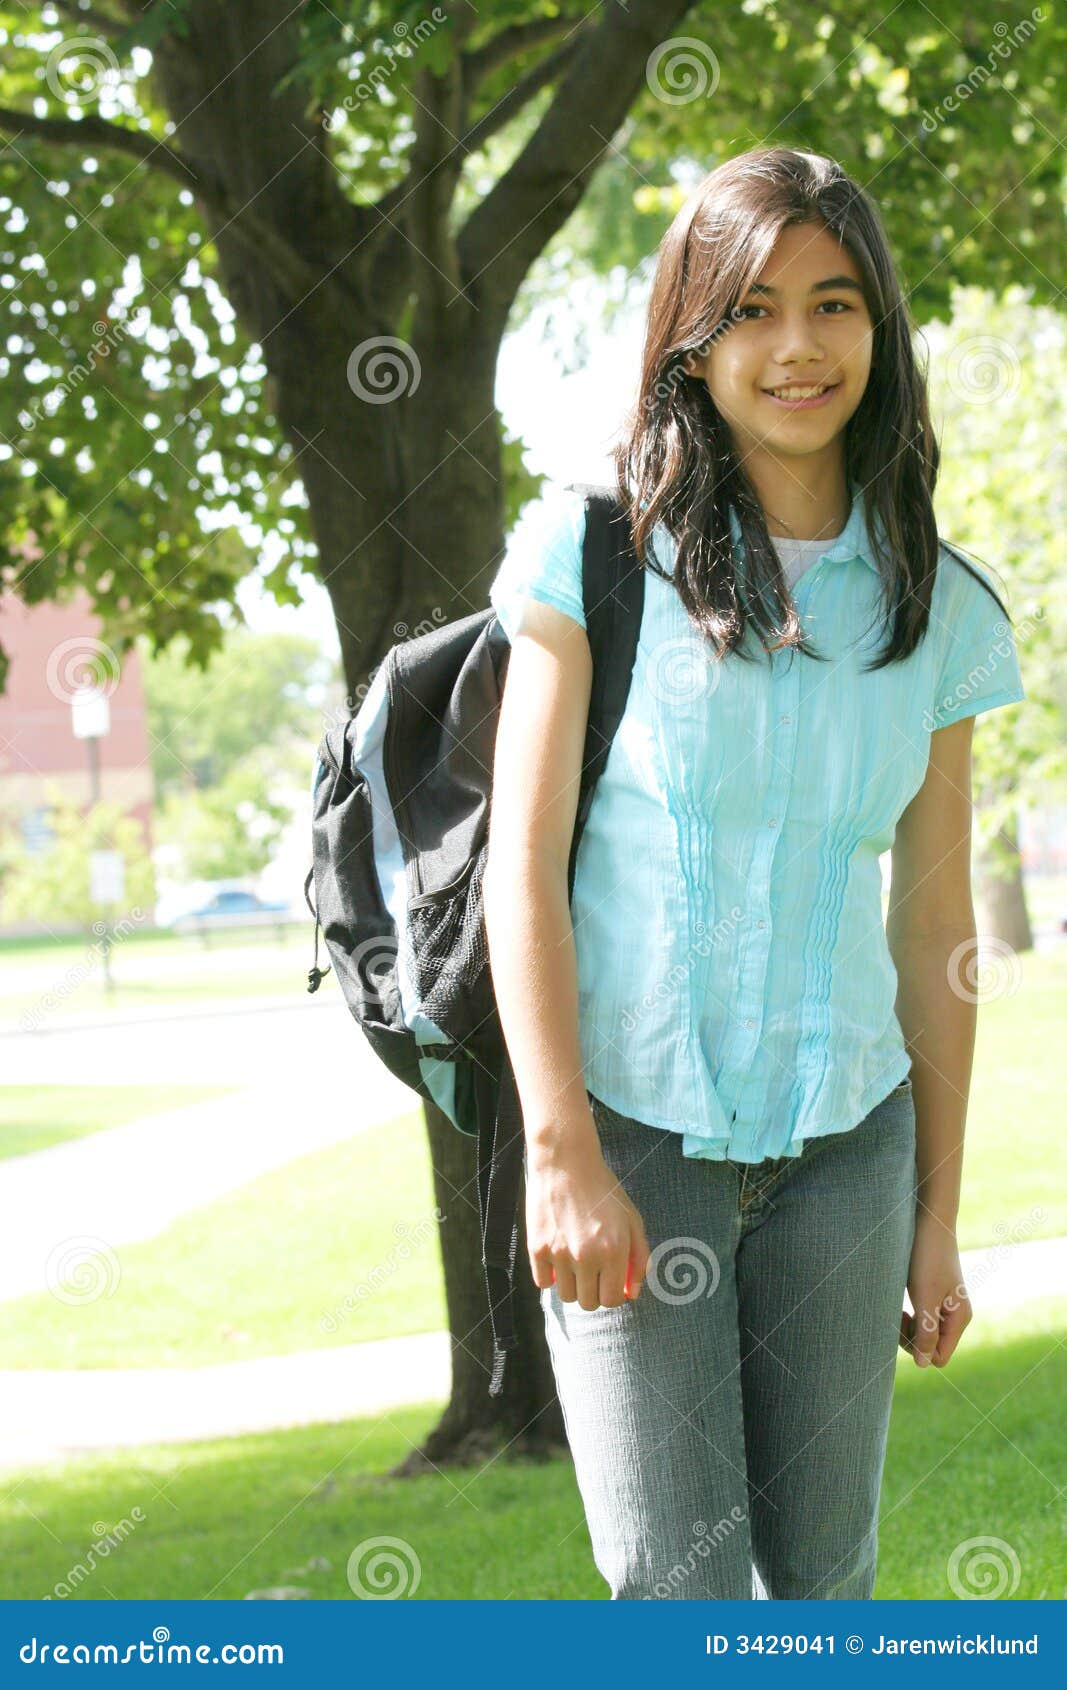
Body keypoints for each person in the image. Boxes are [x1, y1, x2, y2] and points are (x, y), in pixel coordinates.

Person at [481, 146, 1027, 1602]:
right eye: (754, 308)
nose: (797, 345)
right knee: (678, 1591)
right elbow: (520, 865)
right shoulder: (593, 555)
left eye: (835, 303)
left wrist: (936, 1211)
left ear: (877, 331)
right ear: (693, 338)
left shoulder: (942, 611)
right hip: (631, 1139)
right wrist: (560, 1153)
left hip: (850, 1144)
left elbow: (935, 930)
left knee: (826, 1586)